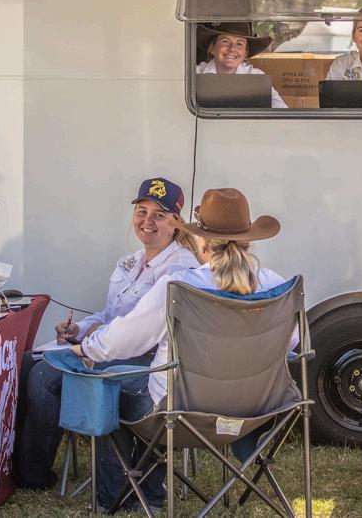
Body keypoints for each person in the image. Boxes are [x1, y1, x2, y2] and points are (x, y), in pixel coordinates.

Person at [73, 187, 296, 510]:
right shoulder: (276, 285)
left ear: (202, 241)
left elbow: (124, 339)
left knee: (109, 384)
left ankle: (117, 497)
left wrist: (86, 348)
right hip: (256, 411)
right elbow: (293, 342)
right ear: (248, 239)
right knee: (137, 385)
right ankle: (149, 491)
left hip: (181, 413)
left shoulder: (180, 286)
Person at [14, 177, 199, 506]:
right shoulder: (130, 261)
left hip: (143, 360)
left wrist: (89, 348)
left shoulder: (179, 269)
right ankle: (26, 468)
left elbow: (138, 333)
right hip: (111, 347)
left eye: (159, 215)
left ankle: (34, 474)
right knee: (28, 362)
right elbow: (109, 314)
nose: (147, 221)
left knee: (44, 377)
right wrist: (80, 329)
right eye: (142, 212)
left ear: (176, 222)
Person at [195, 21, 288, 108]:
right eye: (225, 41)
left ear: (245, 54)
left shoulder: (256, 78)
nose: (232, 49)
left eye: (239, 44)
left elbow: (281, 111)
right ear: (212, 48)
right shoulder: (194, 75)